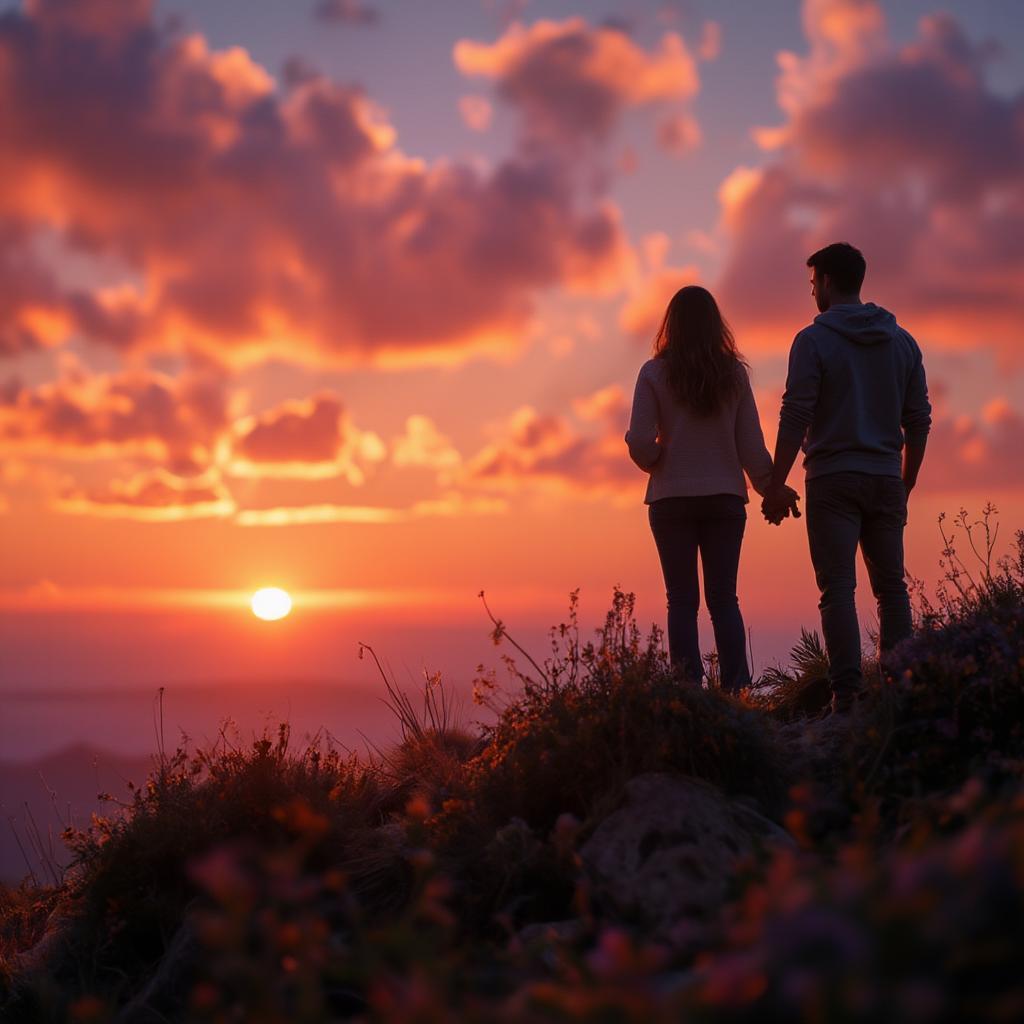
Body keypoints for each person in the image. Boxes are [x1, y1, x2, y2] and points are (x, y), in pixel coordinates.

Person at [761, 242, 932, 714]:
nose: (812, 290)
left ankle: (848, 694)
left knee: (837, 588)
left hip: (833, 480)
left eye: (813, 282)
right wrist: (906, 480)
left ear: (829, 281)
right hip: (884, 479)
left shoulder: (812, 341)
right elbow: (918, 419)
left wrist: (775, 484)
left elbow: (796, 414)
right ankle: (899, 688)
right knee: (892, 587)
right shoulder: (902, 341)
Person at [625, 285, 798, 692]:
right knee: (724, 600)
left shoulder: (653, 373)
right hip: (724, 499)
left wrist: (656, 461)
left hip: (670, 500)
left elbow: (637, 442)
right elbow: (751, 447)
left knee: (681, 601)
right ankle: (737, 689)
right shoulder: (734, 374)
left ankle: (687, 691)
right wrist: (770, 489)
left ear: (672, 324)